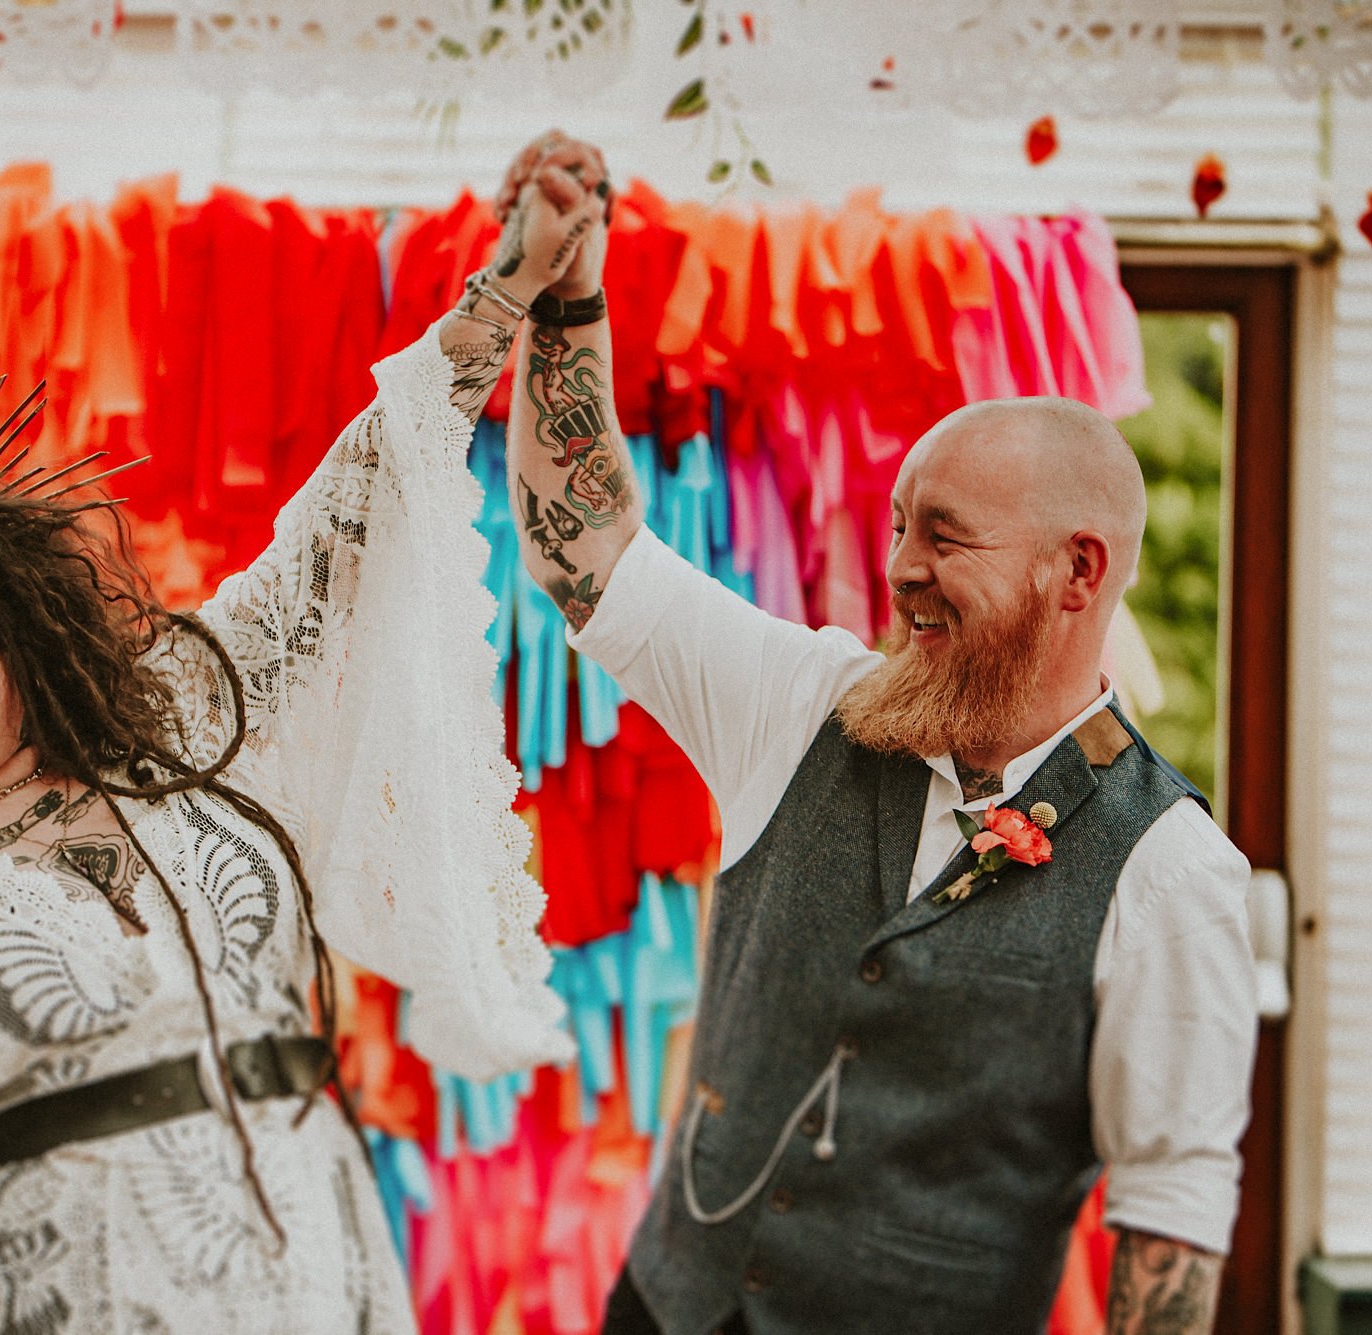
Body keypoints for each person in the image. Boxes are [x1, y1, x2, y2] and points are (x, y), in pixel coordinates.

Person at [0, 144, 603, 1334]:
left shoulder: (177, 715)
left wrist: (510, 286)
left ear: (7, 628)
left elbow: (351, 510)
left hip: (314, 1256)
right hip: (59, 1298)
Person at [494, 136, 1256, 1334]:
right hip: (668, 1309)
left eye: (941, 537)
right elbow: (583, 551)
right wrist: (567, 294)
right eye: (898, 526)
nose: (897, 570)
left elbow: (1167, 1219)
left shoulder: (1173, 875)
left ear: (1076, 571)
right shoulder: (804, 705)